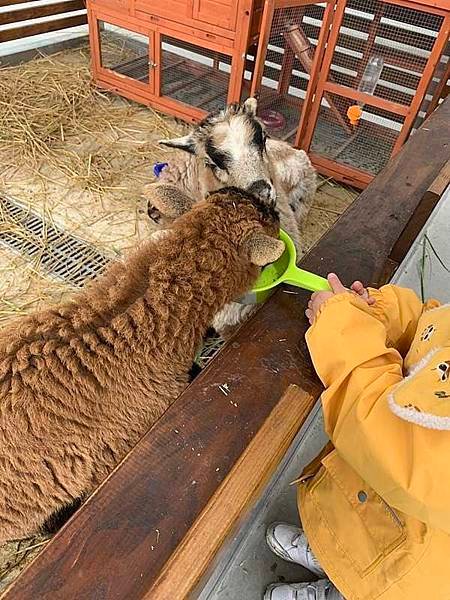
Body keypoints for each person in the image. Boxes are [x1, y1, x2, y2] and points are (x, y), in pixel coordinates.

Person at [264, 274, 450, 600]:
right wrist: (380, 313)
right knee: (348, 534)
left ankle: (336, 589)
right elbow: (435, 333)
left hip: (414, 561)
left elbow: (391, 446)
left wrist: (341, 328)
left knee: (369, 581)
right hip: (381, 502)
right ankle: (327, 551)